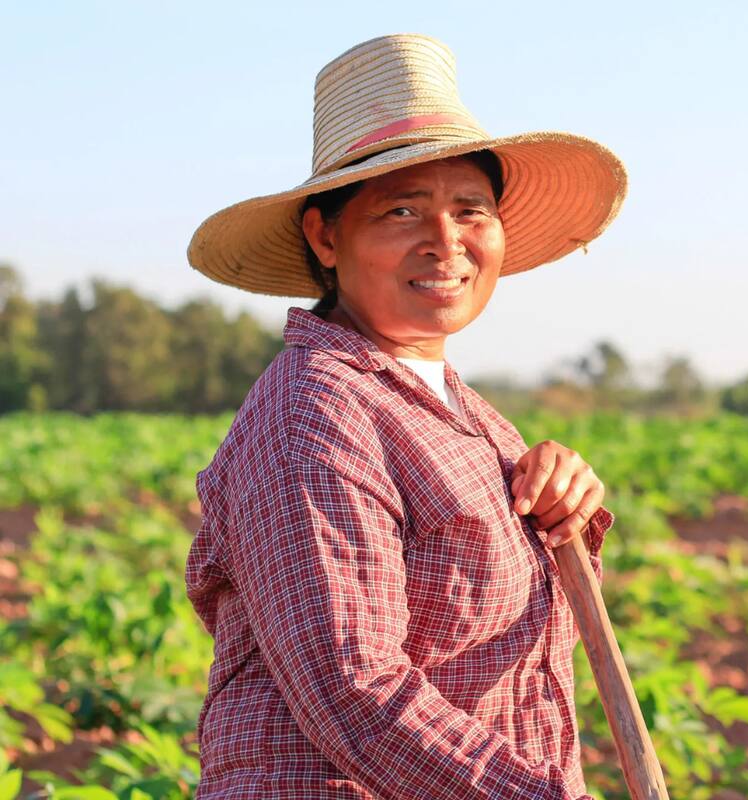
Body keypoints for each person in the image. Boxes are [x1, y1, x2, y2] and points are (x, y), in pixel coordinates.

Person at [184, 34, 627, 799]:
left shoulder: (466, 413)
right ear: (326, 236)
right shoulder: (315, 411)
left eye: (470, 210)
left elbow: (487, 635)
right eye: (402, 210)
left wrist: (563, 508)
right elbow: (356, 692)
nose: (446, 242)